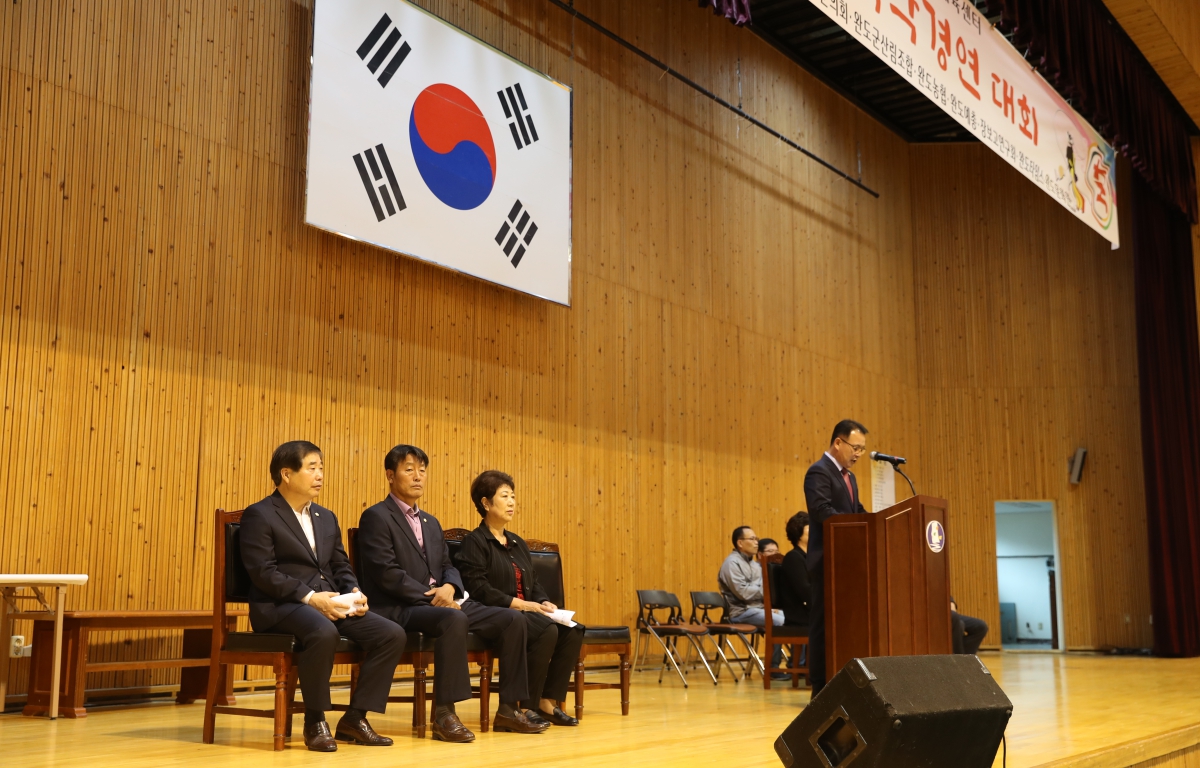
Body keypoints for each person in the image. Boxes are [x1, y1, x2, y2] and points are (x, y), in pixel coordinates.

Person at [357, 445, 540, 741]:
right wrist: (432, 595)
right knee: (452, 620)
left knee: (512, 619)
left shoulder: (431, 522)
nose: (417, 476)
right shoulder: (377, 517)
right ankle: (444, 714)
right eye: (409, 469)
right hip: (398, 606)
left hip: (441, 601)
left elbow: (447, 565)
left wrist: (451, 587)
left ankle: (508, 708)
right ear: (390, 476)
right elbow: (386, 574)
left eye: (422, 470)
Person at [239, 441, 406, 752]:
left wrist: (354, 592)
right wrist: (311, 598)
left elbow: (340, 563)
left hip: (329, 603)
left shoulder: (325, 517)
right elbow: (263, 572)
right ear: (286, 474)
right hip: (280, 606)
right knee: (322, 631)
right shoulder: (260, 514)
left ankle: (355, 718)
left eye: (321, 468)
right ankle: (315, 720)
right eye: (311, 468)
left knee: (391, 634)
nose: (319, 474)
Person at [457, 470, 584, 728]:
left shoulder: (517, 542)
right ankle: (526, 706)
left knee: (573, 630)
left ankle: (546, 702)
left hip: (526, 612)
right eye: (505, 496)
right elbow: (478, 588)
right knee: (547, 630)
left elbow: (533, 582)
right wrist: (520, 604)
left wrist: (544, 602)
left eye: (513, 496)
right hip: (495, 614)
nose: (512, 502)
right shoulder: (475, 541)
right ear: (486, 503)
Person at [803, 420, 869, 699]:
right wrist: (856, 523)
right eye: (855, 447)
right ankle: (819, 689)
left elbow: (857, 510)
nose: (858, 454)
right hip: (826, 562)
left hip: (846, 564)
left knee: (845, 626)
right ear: (838, 443)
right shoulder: (819, 471)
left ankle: (843, 685)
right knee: (822, 626)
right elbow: (821, 511)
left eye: (863, 450)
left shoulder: (850, 478)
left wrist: (875, 522)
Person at [718, 526, 787, 678]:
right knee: (781, 622)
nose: (757, 543)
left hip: (760, 608)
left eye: (756, 539)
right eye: (752, 539)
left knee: (796, 618)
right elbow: (743, 593)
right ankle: (773, 669)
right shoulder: (731, 563)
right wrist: (765, 591)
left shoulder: (755, 565)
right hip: (741, 612)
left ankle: (798, 665)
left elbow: (761, 589)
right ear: (740, 543)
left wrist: (765, 596)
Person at [774, 512, 811, 628]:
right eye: (811, 528)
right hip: (800, 615)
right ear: (798, 532)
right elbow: (806, 592)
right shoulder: (793, 557)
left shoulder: (810, 557)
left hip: (811, 611)